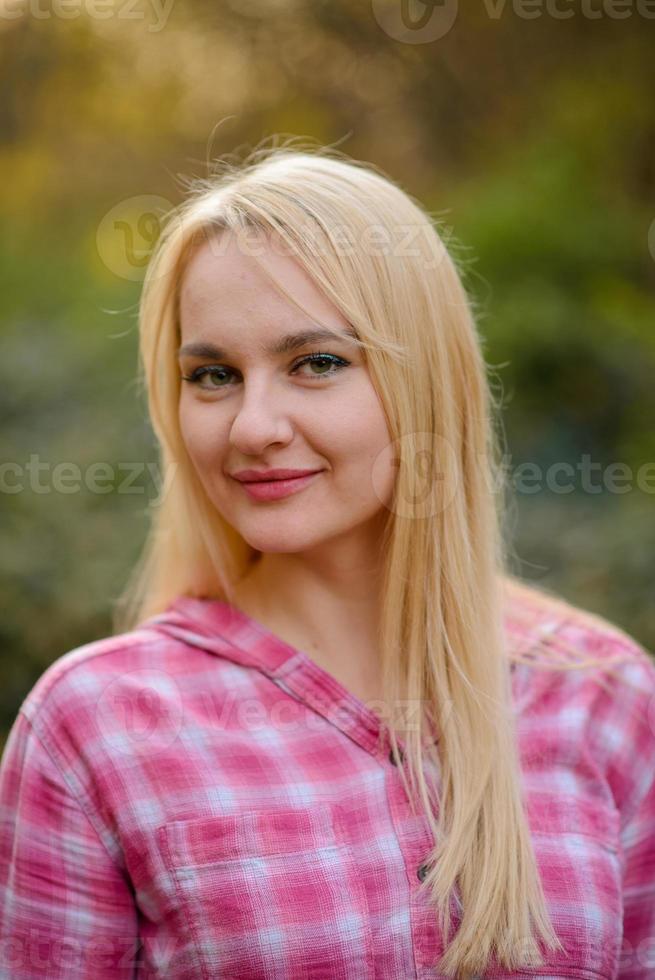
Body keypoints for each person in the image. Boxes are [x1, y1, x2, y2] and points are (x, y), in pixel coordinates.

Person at [1, 142, 653, 980]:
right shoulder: (95, 725)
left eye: (316, 363)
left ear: (427, 383)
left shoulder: (601, 694)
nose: (251, 426)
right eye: (212, 375)